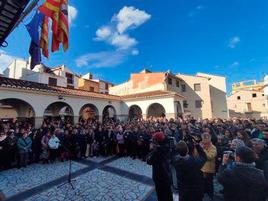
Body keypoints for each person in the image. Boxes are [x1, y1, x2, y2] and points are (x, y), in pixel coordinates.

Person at [147, 131, 173, 201]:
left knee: (161, 195)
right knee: (168, 193)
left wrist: (151, 149)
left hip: (159, 177)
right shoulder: (167, 147)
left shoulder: (157, 152)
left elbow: (149, 161)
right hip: (167, 175)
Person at [200, 132, 217, 200]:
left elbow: (210, 157)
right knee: (203, 183)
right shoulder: (201, 145)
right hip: (201, 168)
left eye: (205, 138)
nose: (203, 140)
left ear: (209, 139)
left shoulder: (213, 147)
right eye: (203, 138)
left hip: (209, 169)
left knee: (209, 183)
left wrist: (203, 150)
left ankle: (211, 195)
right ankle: (204, 193)